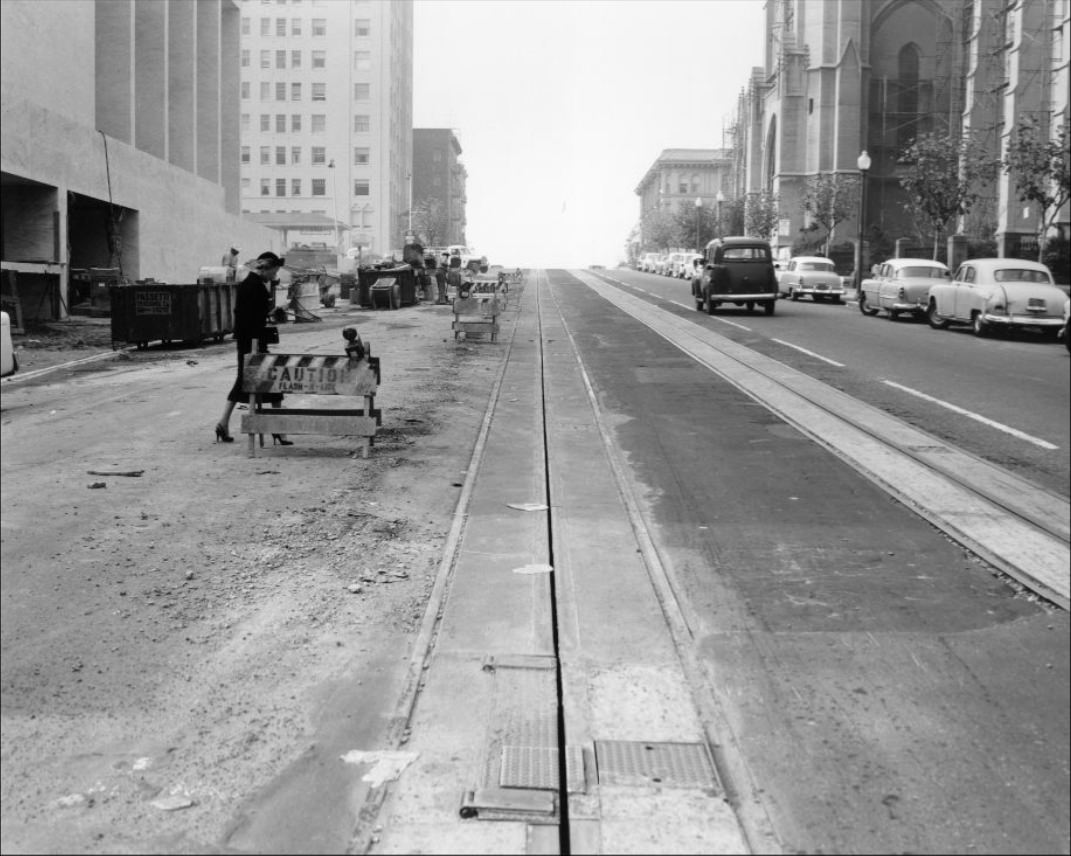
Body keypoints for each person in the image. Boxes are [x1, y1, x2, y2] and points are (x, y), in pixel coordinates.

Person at [215, 251, 292, 445]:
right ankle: (278, 429)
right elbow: (252, 321)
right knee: (272, 381)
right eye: (274, 270)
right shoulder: (256, 287)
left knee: (245, 381)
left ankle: (223, 423)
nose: (275, 275)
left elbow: (248, 317)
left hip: (248, 342)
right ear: (266, 268)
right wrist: (271, 319)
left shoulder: (249, 285)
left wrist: (269, 315)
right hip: (253, 344)